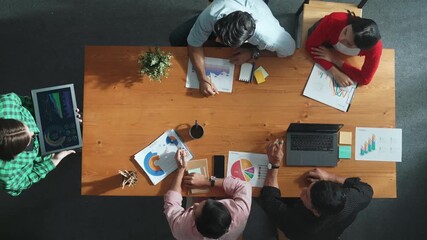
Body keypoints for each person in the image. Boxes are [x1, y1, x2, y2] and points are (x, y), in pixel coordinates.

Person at [169, 0, 295, 96]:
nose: (217, 40)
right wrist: (203, 79)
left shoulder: (271, 38)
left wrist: (253, 52)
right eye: (218, 35)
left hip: (257, 17)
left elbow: (289, 51)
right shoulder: (214, 11)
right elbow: (194, 43)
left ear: (246, 41)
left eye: (222, 40)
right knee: (176, 38)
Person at [260, 139, 373, 240]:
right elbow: (367, 189)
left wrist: (274, 164)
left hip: (307, 234)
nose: (303, 190)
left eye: (306, 195)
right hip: (334, 230)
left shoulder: (296, 224)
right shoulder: (353, 198)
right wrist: (330, 176)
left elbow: (269, 199)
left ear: (316, 211)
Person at [163, 148, 252, 239]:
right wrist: (207, 181)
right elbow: (244, 186)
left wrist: (181, 169)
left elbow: (171, 203)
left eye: (195, 212)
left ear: (196, 225)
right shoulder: (240, 213)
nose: (195, 205)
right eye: (206, 202)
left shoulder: (182, 230)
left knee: (191, 192)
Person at [0, 93, 77, 196]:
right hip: (47, 152)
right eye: (28, 140)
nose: (33, 132)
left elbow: (22, 101)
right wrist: (54, 160)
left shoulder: (6, 104)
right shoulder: (6, 175)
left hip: (48, 119)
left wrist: (53, 111)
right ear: (13, 156)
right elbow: (25, 181)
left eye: (24, 125)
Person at [306, 11, 382, 86]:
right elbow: (310, 46)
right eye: (345, 31)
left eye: (348, 43)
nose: (341, 38)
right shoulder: (333, 20)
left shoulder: (374, 48)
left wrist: (334, 59)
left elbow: (365, 79)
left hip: (334, 52)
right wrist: (335, 72)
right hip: (327, 34)